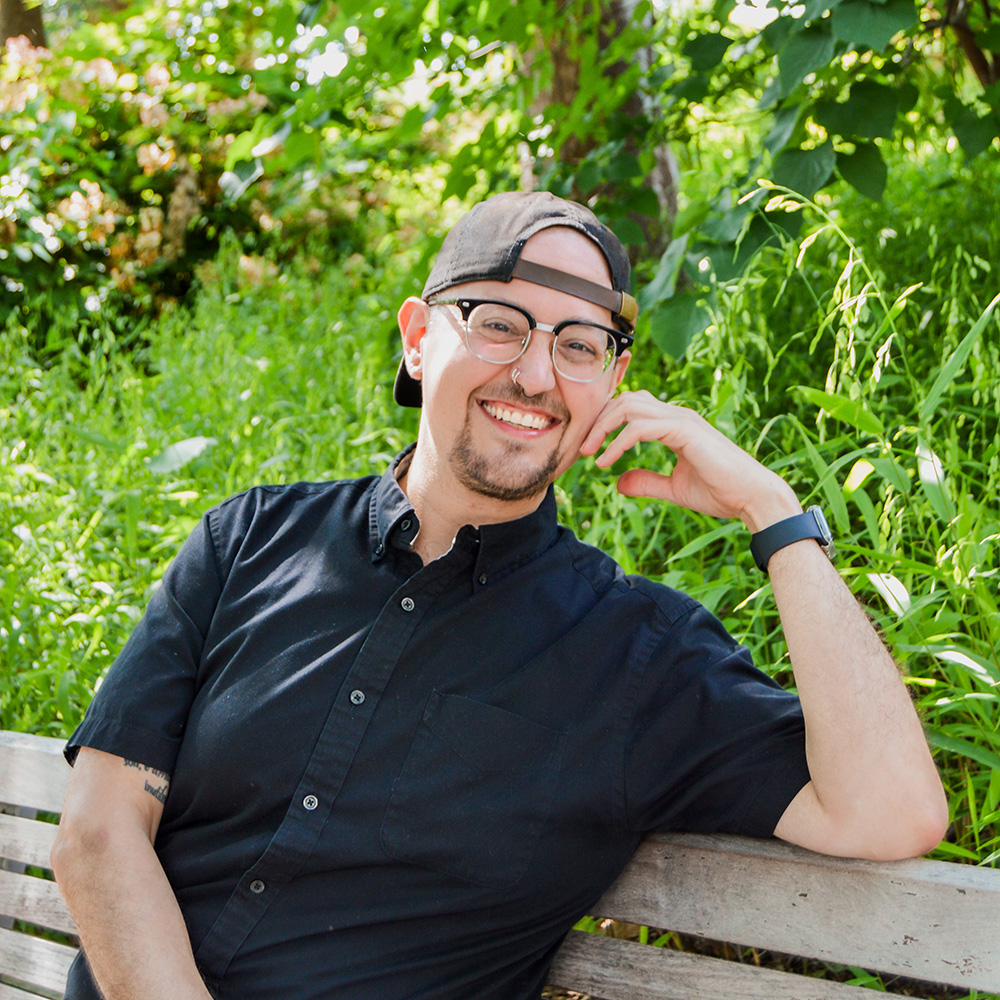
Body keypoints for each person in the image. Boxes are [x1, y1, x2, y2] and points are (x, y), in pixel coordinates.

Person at [51, 191, 948, 1000]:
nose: (533, 375)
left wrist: (775, 516)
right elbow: (97, 831)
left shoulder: (641, 657)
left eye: (579, 346)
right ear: (417, 334)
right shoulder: (248, 540)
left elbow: (890, 809)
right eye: (499, 323)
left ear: (611, 386)